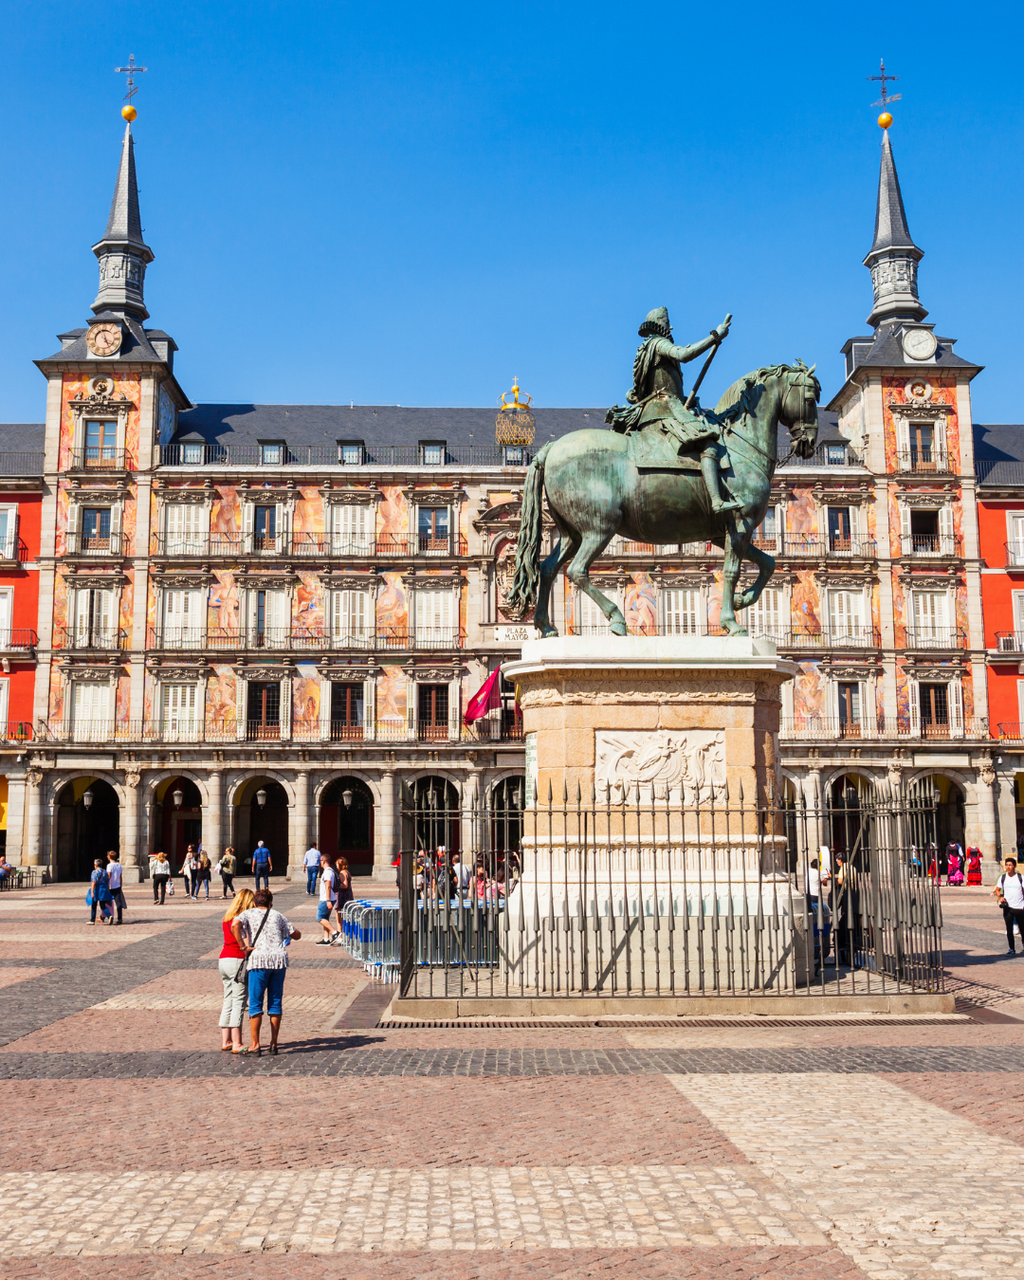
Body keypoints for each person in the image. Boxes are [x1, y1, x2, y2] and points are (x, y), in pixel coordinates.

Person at [605, 307, 739, 514]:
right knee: (708, 444)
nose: (670, 328)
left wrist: (685, 399)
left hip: (659, 408)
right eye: (667, 324)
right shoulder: (659, 343)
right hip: (665, 411)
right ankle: (716, 501)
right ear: (661, 325)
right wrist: (715, 336)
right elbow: (684, 354)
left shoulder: (646, 349)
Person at [235, 888, 300, 1056]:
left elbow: (235, 924)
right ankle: (273, 1043)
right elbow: (296, 934)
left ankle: (255, 1044)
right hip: (278, 961)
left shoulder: (248, 913)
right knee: (275, 1002)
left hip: (258, 961)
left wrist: (242, 946)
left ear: (255, 902)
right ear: (270, 902)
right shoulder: (278, 915)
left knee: (255, 1002)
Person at [218, 889, 254, 1053]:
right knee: (239, 1001)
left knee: (228, 1000)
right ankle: (237, 1042)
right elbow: (246, 943)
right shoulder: (241, 919)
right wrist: (248, 947)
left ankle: (226, 1040)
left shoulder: (227, 917)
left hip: (224, 959)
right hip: (237, 960)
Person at [992, 856, 1024, 956]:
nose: (1008, 867)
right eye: (1006, 865)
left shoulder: (1020, 877)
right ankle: (1011, 949)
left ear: (1014, 866)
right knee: (1009, 930)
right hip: (1008, 908)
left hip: (1020, 907)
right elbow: (997, 889)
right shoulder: (1003, 877)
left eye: (1010, 865)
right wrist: (1000, 897)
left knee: (1023, 929)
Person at [315, 854, 337, 945]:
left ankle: (335, 933)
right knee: (325, 918)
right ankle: (326, 938)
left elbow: (328, 886)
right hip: (330, 897)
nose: (320, 862)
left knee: (319, 918)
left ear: (323, 861)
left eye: (320, 860)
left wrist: (328, 900)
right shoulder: (330, 871)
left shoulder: (327, 872)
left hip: (326, 898)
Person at [333, 855, 353, 942]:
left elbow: (345, 885)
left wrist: (335, 886)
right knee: (344, 916)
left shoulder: (342, 873)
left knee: (339, 917)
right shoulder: (347, 872)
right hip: (348, 895)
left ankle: (340, 936)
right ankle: (345, 935)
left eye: (337, 863)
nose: (335, 865)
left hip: (342, 896)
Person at [88, 858, 114, 925]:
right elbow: (108, 882)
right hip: (104, 888)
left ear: (96, 865)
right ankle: (109, 916)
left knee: (94, 905)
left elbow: (93, 882)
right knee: (103, 905)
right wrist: (108, 890)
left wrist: (92, 892)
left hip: (97, 889)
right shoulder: (105, 872)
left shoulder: (94, 872)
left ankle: (92, 920)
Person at [106, 850, 126, 925]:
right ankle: (120, 918)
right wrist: (120, 885)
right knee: (118, 903)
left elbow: (109, 876)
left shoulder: (109, 865)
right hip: (117, 886)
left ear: (109, 857)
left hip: (111, 886)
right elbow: (120, 877)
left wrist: (107, 886)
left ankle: (108, 916)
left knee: (107, 903)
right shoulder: (119, 865)